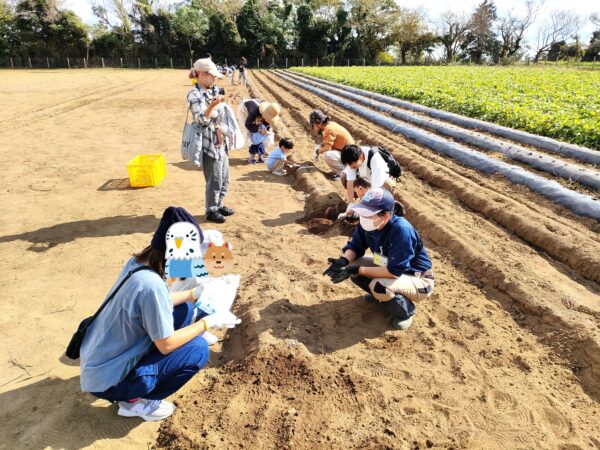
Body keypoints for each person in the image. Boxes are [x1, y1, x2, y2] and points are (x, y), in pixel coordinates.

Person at [80, 207, 241, 421]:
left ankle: (134, 385)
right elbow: (166, 344)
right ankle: (135, 401)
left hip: (99, 361)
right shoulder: (152, 286)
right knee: (197, 349)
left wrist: (194, 293)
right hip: (108, 383)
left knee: (184, 310)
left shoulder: (138, 263)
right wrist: (207, 322)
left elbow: (160, 302)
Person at [323, 188, 434, 331]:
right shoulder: (367, 224)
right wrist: (343, 261)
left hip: (417, 278)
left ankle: (406, 312)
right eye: (363, 212)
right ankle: (380, 297)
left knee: (379, 285)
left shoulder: (401, 230)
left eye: (368, 214)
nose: (363, 217)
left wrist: (359, 270)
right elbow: (355, 247)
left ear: (386, 216)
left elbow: (394, 271)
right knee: (351, 265)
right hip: (387, 263)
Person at [187, 57, 235, 224]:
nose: (214, 79)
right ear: (201, 74)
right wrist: (212, 107)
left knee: (224, 177)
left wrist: (225, 104)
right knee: (214, 179)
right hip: (209, 143)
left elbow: (220, 114)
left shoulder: (212, 90)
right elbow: (200, 120)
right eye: (212, 76)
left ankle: (220, 204)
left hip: (221, 141)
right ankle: (211, 209)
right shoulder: (194, 94)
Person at [309, 110, 355, 179]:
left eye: (313, 125)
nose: (313, 128)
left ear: (317, 123)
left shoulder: (329, 129)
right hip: (348, 152)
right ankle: (339, 171)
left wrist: (317, 151)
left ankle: (344, 173)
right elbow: (329, 141)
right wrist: (321, 145)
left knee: (327, 155)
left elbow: (327, 148)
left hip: (350, 155)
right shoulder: (330, 125)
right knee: (327, 153)